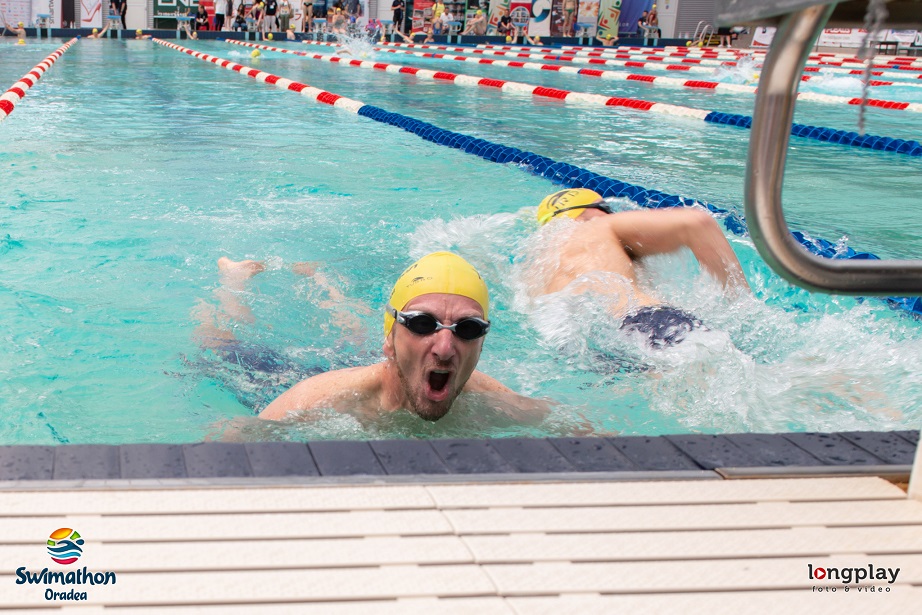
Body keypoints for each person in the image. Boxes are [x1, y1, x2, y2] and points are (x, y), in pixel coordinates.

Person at [257, 252, 546, 422]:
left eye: (468, 328)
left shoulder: (504, 405)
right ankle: (305, 278)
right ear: (390, 339)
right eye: (422, 324)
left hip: (401, 362)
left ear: (481, 344)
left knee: (354, 331)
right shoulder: (314, 401)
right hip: (307, 367)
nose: (445, 348)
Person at [529, 189, 749, 349]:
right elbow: (697, 222)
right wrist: (742, 306)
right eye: (607, 209)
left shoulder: (536, 268)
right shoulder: (598, 225)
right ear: (592, 211)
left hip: (588, 348)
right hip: (646, 322)